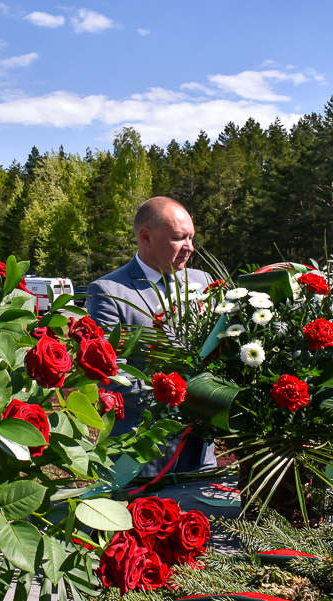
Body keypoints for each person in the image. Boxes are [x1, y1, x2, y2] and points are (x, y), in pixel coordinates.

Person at [86, 196, 216, 474]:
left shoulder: (203, 282)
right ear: (146, 237)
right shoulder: (109, 291)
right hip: (141, 449)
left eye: (191, 238)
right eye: (179, 238)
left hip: (201, 449)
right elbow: (110, 374)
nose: (189, 248)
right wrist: (180, 397)